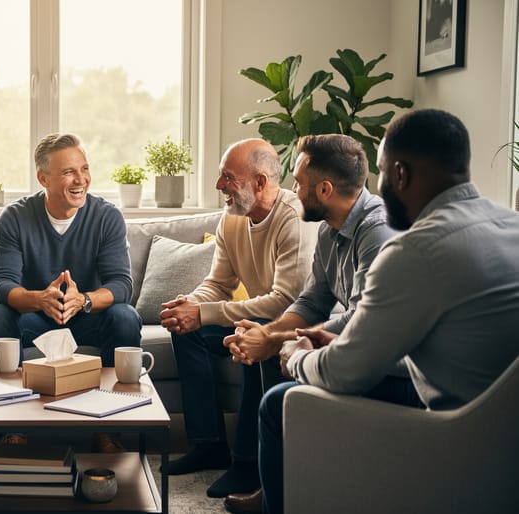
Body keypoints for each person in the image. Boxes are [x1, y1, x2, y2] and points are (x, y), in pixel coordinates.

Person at [254, 109, 519, 514]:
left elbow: (343, 374)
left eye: (379, 172)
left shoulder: (413, 249)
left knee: (278, 404)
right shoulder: (510, 224)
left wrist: (294, 355)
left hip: (458, 440)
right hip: (503, 439)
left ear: (399, 174)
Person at [218, 134, 402, 511]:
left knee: (276, 395)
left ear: (325, 188)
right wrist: (267, 334)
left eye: (298, 183)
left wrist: (277, 338)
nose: (292, 190)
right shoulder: (329, 229)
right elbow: (314, 299)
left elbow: (365, 318)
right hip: (355, 345)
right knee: (272, 350)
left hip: (385, 361)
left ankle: (279, 497)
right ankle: (275, 487)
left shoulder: (377, 231)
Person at [158, 138, 317, 499]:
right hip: (258, 316)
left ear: (260, 182)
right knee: (187, 332)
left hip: (290, 324)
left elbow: (284, 301)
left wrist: (205, 313)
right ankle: (209, 444)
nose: (218, 187)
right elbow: (219, 283)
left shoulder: (294, 218)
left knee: (250, 337)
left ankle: (247, 463)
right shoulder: (231, 218)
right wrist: (190, 306)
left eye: (227, 177)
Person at [0, 133, 142, 452]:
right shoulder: (15, 217)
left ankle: (110, 429)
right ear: (44, 178)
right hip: (36, 321)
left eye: (84, 169)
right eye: (69, 172)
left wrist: (85, 301)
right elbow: (0, 286)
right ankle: (10, 430)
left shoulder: (107, 216)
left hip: (86, 317)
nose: (80, 179)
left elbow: (122, 285)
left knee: (126, 316)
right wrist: (39, 298)